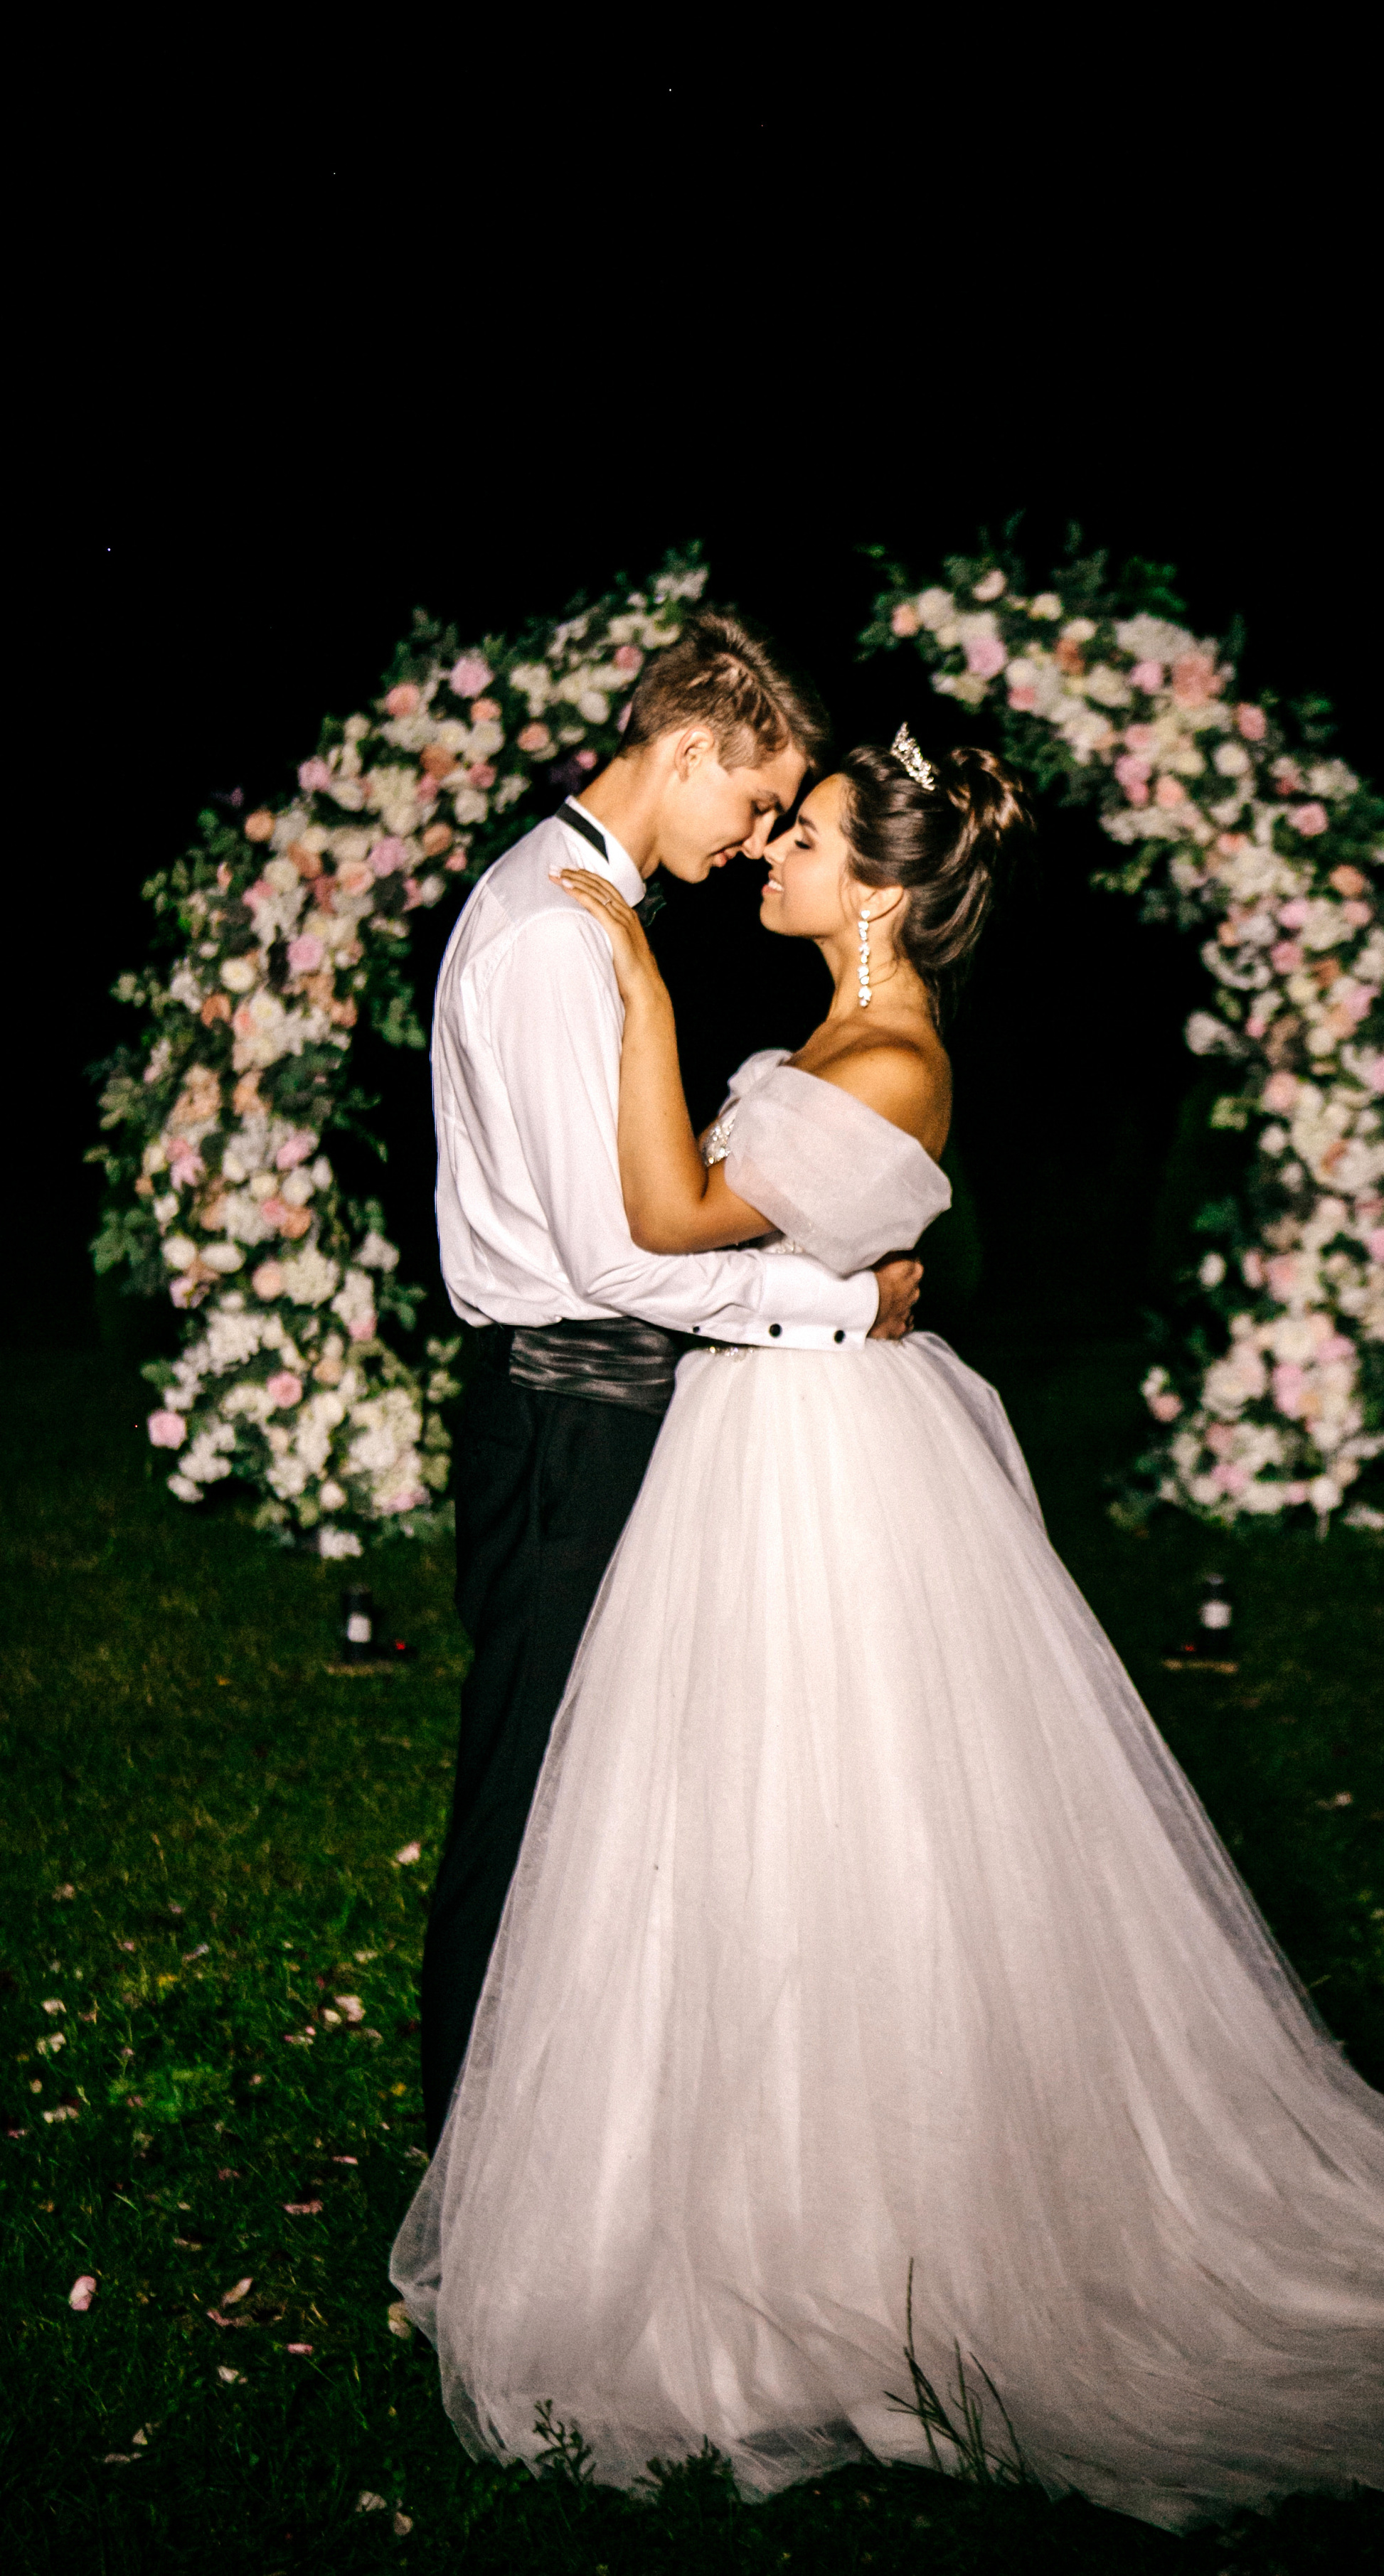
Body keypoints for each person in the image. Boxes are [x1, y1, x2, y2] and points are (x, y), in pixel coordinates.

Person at [394, 729, 1384, 2532]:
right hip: (752, 1442)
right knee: (736, 1824)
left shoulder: (891, 1050)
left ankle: (876, 2222)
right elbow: (709, 1249)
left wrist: (625, 979)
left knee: (867, 1818)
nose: (772, 858)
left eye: (810, 840)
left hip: (821, 1470)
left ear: (884, 890)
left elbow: (668, 1211)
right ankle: (732, 2179)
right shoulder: (845, 1031)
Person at [417, 618, 924, 2150]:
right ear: (689, 749)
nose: (755, 837)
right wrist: (839, 1295)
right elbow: (624, 1257)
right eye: (755, 801)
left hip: (596, 1406)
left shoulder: (562, 908)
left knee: (596, 1796)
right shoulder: (558, 936)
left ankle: (575, 2139)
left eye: (783, 822)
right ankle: (471, 2155)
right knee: (529, 1797)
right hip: (570, 1408)